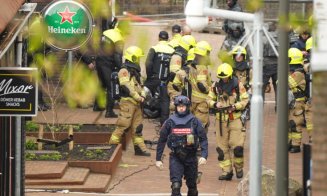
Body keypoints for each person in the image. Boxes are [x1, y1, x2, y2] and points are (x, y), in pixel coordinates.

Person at [156, 95, 208, 196]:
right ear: (176, 107)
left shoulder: (194, 121)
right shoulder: (170, 121)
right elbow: (162, 140)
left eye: (183, 106)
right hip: (176, 157)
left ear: (187, 106)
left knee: (192, 188)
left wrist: (204, 155)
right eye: (179, 106)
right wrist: (158, 159)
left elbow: (203, 139)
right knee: (175, 186)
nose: (181, 108)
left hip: (191, 157)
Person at [207, 63, 249, 180]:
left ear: (230, 76)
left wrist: (236, 106)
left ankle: (239, 167)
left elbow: (245, 99)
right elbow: (208, 99)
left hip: (234, 119)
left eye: (225, 77)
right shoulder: (215, 86)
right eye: (221, 77)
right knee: (221, 148)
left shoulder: (238, 85)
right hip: (220, 121)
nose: (223, 79)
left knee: (237, 147)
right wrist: (215, 104)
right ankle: (227, 172)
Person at [109, 46, 151, 156]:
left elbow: (138, 85)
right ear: (132, 58)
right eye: (137, 58)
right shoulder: (124, 70)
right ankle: (111, 148)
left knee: (137, 128)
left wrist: (143, 94)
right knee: (123, 126)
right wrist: (138, 97)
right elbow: (126, 86)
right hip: (128, 103)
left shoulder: (135, 71)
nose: (138, 61)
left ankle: (139, 148)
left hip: (137, 104)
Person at [173, 41, 212, 132]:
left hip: (191, 100)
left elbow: (175, 85)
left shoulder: (191, 67)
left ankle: (189, 142)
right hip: (201, 103)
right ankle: (198, 144)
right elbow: (201, 85)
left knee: (189, 123)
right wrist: (211, 90)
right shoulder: (202, 67)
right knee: (200, 126)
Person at [94, 22, 126, 118]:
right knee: (111, 87)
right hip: (107, 64)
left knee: (101, 85)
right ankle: (109, 111)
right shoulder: (119, 38)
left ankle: (97, 106)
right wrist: (121, 68)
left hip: (99, 61)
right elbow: (117, 56)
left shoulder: (106, 32)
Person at [144, 31, 175, 124]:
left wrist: (150, 76)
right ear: (168, 39)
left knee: (143, 92)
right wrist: (169, 79)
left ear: (159, 38)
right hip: (166, 80)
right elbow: (174, 68)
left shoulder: (154, 48)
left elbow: (148, 63)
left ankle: (147, 111)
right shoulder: (172, 51)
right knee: (165, 100)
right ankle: (164, 122)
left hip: (154, 78)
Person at [168, 35, 196, 112]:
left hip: (180, 85)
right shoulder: (177, 56)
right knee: (176, 107)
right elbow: (174, 74)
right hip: (175, 87)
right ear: (188, 46)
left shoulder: (183, 54)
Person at [288, 48, 307, 153]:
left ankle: (296, 145)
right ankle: (289, 142)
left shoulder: (298, 73)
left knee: (296, 124)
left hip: (298, 102)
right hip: (292, 101)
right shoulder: (293, 72)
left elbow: (286, 82)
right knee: (289, 123)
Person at [262, 22, 278, 105]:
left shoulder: (264, 37)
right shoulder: (280, 37)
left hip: (265, 66)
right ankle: (278, 107)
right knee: (278, 88)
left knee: (261, 88)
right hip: (277, 65)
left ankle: (260, 106)